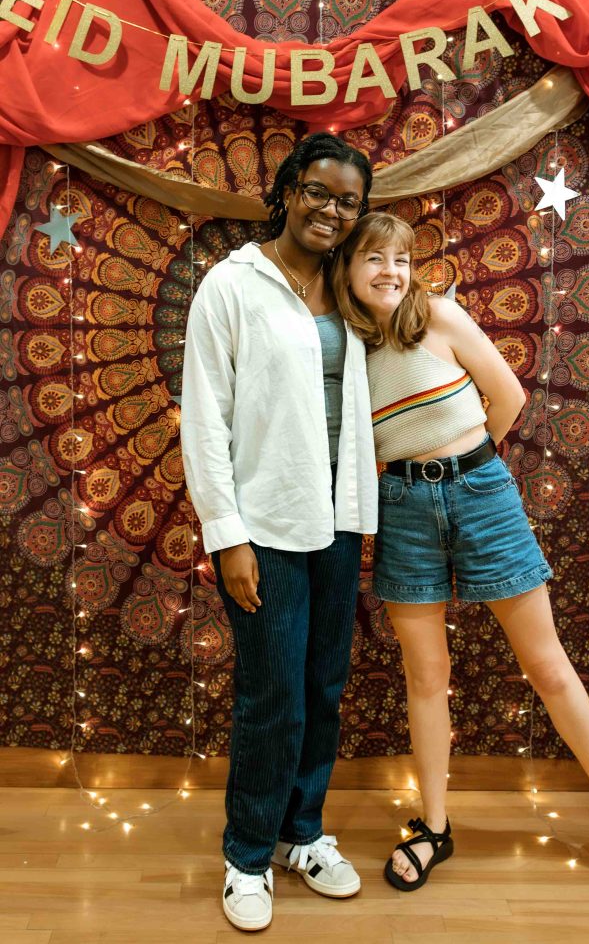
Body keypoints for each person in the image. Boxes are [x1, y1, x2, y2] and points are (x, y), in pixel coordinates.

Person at [331, 210, 589, 901]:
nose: (390, 271)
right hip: (402, 506)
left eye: (400, 258)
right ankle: (434, 825)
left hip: (480, 492)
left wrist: (469, 467)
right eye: (374, 258)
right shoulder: (346, 349)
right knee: (426, 675)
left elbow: (507, 396)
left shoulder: (439, 316)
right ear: (348, 269)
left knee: (547, 665)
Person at [180, 133, 378, 933]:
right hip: (265, 522)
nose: (332, 210)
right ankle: (248, 853)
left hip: (340, 516)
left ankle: (302, 833)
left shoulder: (355, 285)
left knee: (324, 685)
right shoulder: (232, 284)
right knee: (272, 693)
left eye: (349, 201)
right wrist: (226, 535)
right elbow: (205, 418)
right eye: (319, 192)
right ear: (290, 189)